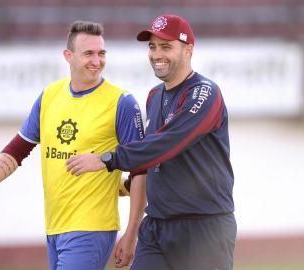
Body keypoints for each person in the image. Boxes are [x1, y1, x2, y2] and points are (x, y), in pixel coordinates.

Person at [0, 21, 146, 270]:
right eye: (88, 53)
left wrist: (131, 233)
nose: (97, 60)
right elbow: (19, 148)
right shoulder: (50, 96)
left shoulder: (122, 103)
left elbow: (141, 169)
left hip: (92, 228)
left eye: (101, 53)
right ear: (68, 56)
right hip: (54, 227)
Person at [66, 14, 237, 270]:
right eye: (152, 46)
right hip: (156, 226)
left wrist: (107, 159)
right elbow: (151, 163)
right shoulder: (154, 96)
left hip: (203, 228)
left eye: (166, 47)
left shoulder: (205, 92)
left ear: (188, 49)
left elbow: (167, 144)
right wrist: (130, 221)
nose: (157, 54)